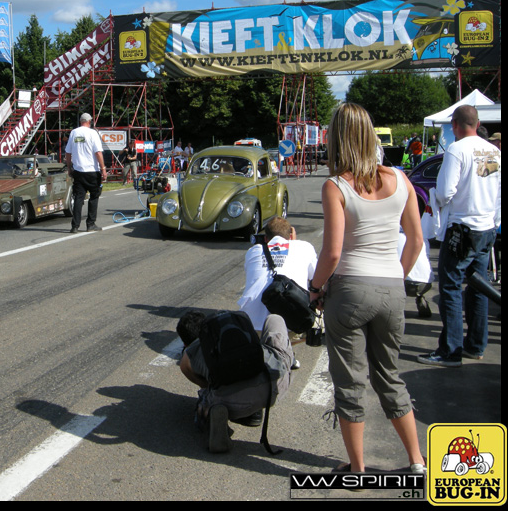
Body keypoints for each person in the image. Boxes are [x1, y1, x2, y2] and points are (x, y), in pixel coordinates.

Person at [309, 102, 426, 475]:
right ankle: (416, 460)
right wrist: (395, 277)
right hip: (391, 289)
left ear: (336, 140)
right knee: (389, 376)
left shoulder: (336, 185)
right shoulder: (401, 180)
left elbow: (332, 253)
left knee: (350, 382)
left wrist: (315, 288)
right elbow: (416, 241)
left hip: (350, 290)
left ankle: (357, 469)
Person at [418, 105, 501, 367]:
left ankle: (450, 350)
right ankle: (475, 345)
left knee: (451, 287)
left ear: (455, 125)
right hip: (486, 226)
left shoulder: (456, 150)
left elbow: (444, 192)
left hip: (462, 227)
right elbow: (497, 190)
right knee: (478, 287)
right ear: (477, 123)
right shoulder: (492, 151)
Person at [177, 310, 294, 453]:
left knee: (207, 398)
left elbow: (196, 376)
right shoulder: (239, 327)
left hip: (232, 402)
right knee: (274, 318)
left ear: (185, 343)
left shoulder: (189, 354)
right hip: (273, 385)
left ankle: (214, 413)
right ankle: (254, 410)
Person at [237, 217, 318, 337]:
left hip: (252, 322)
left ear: (265, 238)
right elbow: (315, 279)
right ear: (291, 236)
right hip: (290, 323)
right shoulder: (305, 247)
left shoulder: (253, 251)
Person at [65, 113, 106, 232]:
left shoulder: (74, 133)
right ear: (89, 121)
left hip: (78, 170)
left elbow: (68, 152)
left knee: (78, 198)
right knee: (94, 196)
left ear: (80, 121)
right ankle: (90, 224)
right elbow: (98, 152)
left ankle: (75, 226)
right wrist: (103, 169)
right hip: (92, 170)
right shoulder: (92, 133)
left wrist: (69, 167)